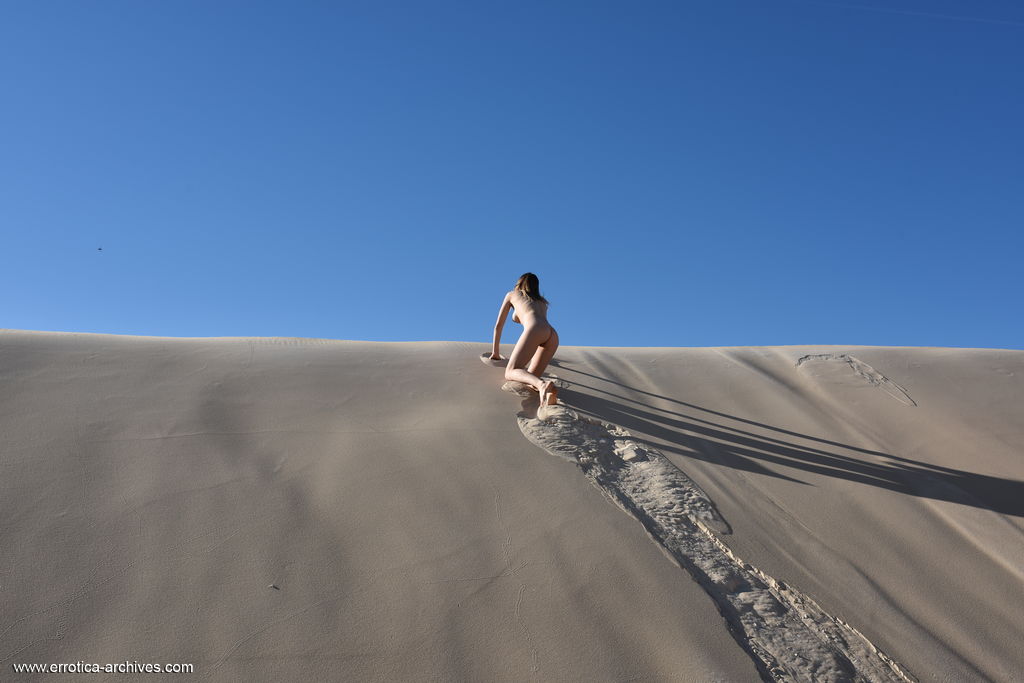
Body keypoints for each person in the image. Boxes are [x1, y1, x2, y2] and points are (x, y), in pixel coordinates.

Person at [490, 273, 560, 405]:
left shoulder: (511, 295)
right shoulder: (542, 302)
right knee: (530, 379)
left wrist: (495, 352)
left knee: (511, 371)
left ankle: (542, 385)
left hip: (535, 329)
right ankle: (548, 392)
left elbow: (498, 326)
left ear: (519, 283)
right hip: (552, 334)